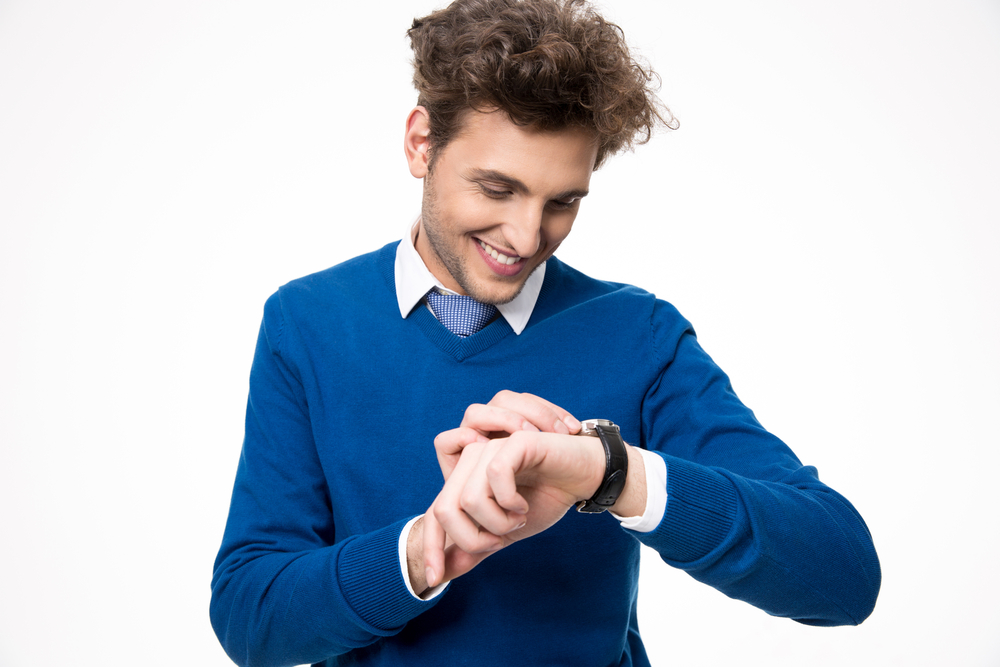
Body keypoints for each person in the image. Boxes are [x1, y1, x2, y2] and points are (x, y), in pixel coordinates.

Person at [210, 1, 881, 665]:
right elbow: (250, 616)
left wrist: (606, 469)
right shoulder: (308, 323)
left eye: (562, 201)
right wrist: (428, 547)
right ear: (421, 144)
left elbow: (842, 574)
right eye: (498, 189)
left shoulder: (637, 333)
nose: (528, 237)